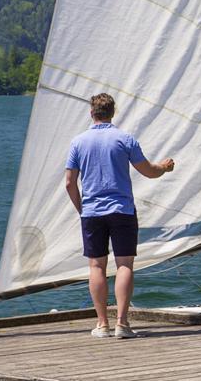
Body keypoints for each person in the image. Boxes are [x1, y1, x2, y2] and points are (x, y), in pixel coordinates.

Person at [65, 93, 175, 339]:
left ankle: (102, 324)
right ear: (113, 113)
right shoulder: (124, 139)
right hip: (122, 210)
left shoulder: (78, 142)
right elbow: (148, 171)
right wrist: (165, 168)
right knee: (124, 264)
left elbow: (70, 183)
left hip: (91, 212)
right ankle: (122, 324)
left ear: (92, 113)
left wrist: (82, 209)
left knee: (96, 266)